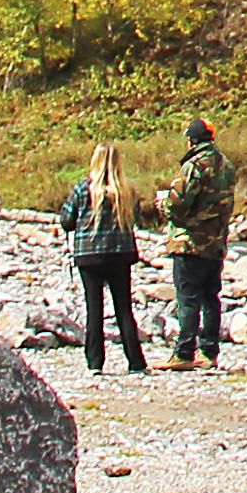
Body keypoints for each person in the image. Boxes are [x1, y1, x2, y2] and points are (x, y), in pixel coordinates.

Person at [61, 145, 148, 374]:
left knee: (94, 309)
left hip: (89, 255)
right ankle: (136, 362)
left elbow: (66, 220)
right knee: (124, 309)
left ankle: (95, 362)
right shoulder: (126, 191)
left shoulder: (83, 188)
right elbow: (137, 219)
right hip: (120, 253)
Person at [159, 119, 237, 366]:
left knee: (188, 298)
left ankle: (183, 353)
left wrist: (162, 204)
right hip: (216, 243)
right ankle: (209, 353)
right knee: (211, 298)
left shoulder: (193, 166)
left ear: (191, 140)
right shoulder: (227, 166)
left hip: (189, 243)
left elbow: (177, 205)